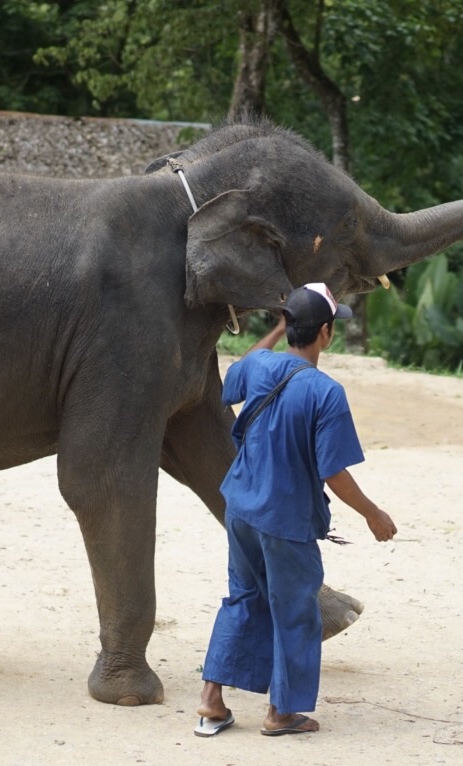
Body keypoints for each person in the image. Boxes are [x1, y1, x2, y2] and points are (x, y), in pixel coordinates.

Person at [194, 282, 397, 738]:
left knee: (242, 599)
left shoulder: (262, 366)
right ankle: (281, 713)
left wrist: (276, 330)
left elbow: (236, 375)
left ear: (290, 329)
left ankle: (211, 700)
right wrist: (373, 514)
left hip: (241, 507)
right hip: (284, 521)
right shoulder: (326, 393)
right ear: (326, 333)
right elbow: (334, 473)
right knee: (296, 611)